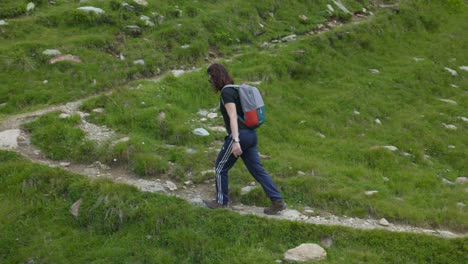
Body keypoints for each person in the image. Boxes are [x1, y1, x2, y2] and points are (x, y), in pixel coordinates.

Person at [203, 63, 286, 215]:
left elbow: (233, 116)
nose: (211, 83)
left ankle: (221, 202)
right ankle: (277, 200)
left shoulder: (227, 93)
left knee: (220, 167)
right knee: (258, 170)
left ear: (216, 77)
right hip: (251, 135)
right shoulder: (236, 89)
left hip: (240, 135)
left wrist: (235, 141)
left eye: (211, 79)